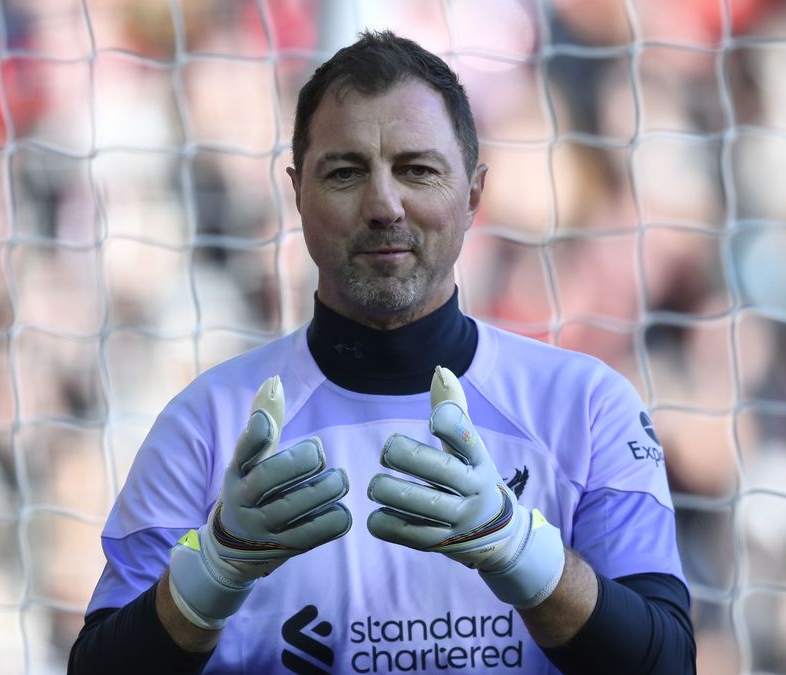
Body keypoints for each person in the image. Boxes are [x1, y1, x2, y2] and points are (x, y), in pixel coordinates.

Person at [68, 30, 695, 674]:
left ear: (475, 193)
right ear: (297, 194)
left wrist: (518, 549)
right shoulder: (207, 422)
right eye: (345, 173)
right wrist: (212, 573)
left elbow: (668, 663)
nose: (384, 205)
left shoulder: (587, 406)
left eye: (417, 169)